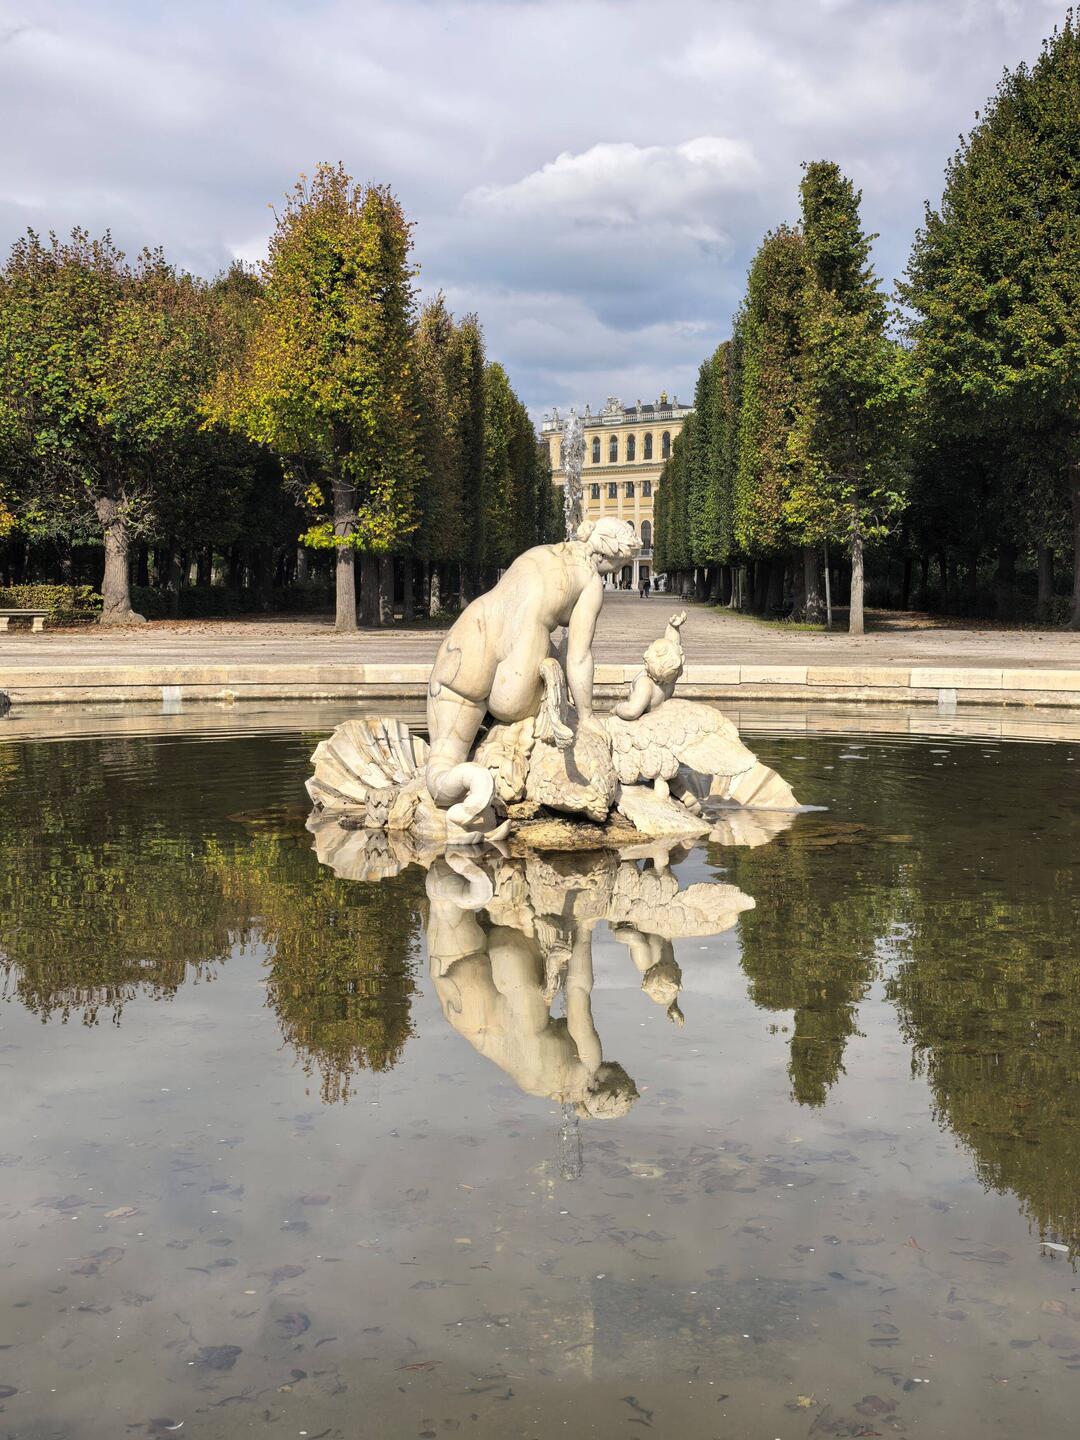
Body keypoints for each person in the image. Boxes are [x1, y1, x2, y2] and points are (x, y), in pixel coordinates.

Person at [426, 518, 640, 831]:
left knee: (443, 759)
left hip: (466, 641)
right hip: (517, 673)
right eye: (621, 565)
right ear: (608, 557)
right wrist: (587, 715)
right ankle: (489, 777)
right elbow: (579, 657)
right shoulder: (590, 581)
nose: (617, 573)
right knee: (559, 672)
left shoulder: (540, 551)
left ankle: (459, 777)